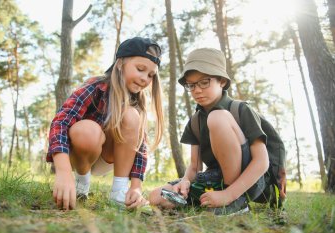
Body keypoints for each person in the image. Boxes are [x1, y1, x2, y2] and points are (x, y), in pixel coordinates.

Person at [149, 48, 286, 215]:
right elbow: (194, 166)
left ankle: (237, 203)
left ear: (221, 81)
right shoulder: (195, 121)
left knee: (216, 117)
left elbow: (262, 161)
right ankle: (206, 202)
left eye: (204, 82)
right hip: (214, 180)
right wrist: (184, 182)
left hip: (251, 183)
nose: (196, 90)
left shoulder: (240, 110)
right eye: (191, 85)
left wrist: (229, 194)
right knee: (156, 196)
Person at [47, 37, 164, 210]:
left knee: (131, 115)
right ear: (119, 63)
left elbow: (141, 146)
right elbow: (60, 122)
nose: (145, 78)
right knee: (87, 130)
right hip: (81, 153)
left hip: (111, 157)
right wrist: (63, 172)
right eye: (140, 69)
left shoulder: (137, 103)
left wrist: (136, 187)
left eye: (150, 75)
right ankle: (81, 184)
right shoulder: (96, 86)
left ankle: (119, 193)